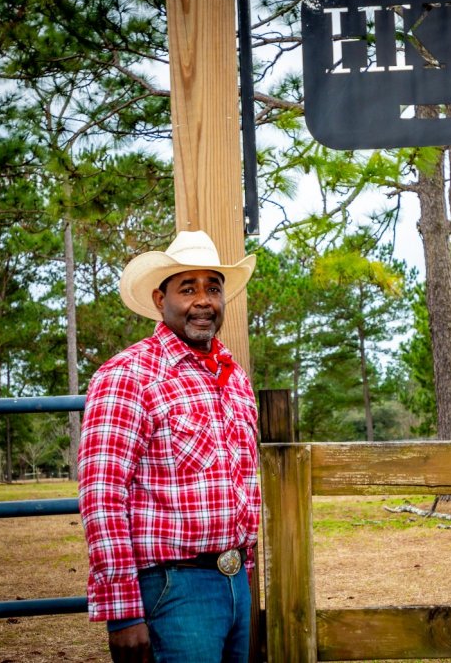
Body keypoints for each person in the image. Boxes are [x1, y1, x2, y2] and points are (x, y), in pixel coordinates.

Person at [78, 230, 260, 663]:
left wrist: (246, 573)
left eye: (213, 288)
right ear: (161, 300)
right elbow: (103, 497)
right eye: (188, 288)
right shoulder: (128, 375)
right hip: (174, 588)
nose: (204, 301)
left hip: (235, 581)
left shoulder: (233, 378)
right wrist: (123, 613)